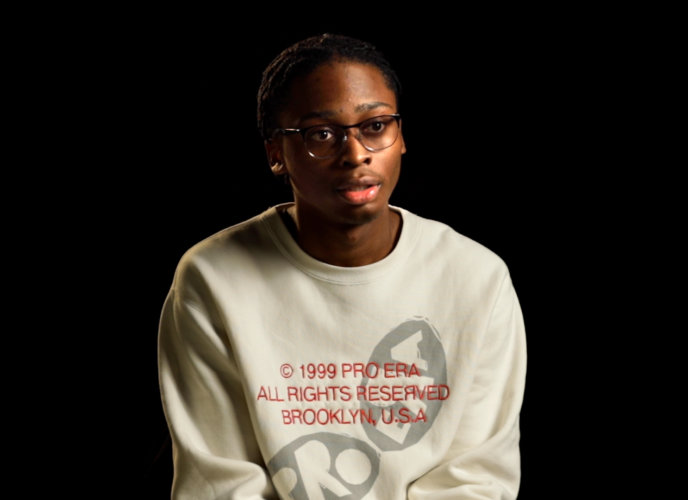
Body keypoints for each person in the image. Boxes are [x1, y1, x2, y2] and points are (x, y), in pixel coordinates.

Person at [158, 33, 527, 499]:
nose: (355, 155)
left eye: (375, 126)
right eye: (322, 134)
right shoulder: (213, 278)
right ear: (276, 152)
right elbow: (220, 483)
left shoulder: (476, 279)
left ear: (401, 136)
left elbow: (476, 480)